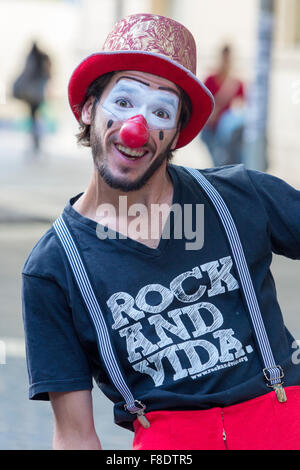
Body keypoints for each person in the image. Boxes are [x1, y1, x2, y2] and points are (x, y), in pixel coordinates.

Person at [21, 14, 300, 451]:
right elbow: (74, 434)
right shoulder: (52, 268)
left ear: (174, 135)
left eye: (161, 112)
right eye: (125, 101)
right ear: (90, 108)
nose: (138, 126)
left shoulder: (242, 195)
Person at [200, 45, 245, 166]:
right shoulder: (211, 79)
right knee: (217, 162)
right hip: (210, 128)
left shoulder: (236, 83)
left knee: (223, 162)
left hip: (226, 132)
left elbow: (242, 106)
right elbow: (202, 100)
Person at [13, 41, 51, 153]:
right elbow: (48, 74)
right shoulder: (43, 58)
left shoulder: (32, 58)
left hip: (31, 95)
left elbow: (26, 72)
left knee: (33, 118)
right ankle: (37, 141)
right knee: (37, 117)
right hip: (39, 94)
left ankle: (35, 141)